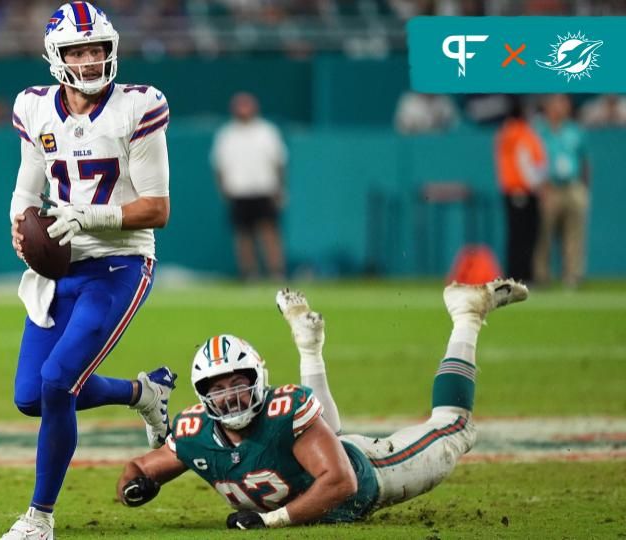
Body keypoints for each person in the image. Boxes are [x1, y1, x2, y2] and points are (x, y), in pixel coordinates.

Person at [117, 278, 529, 529]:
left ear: (258, 380)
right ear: (203, 395)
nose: (231, 398)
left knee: (455, 425)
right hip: (322, 458)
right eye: (218, 390)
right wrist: (135, 486)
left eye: (238, 385)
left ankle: (467, 316)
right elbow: (138, 468)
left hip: (375, 471)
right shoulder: (193, 434)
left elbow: (341, 482)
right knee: (324, 432)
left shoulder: (284, 411)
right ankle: (310, 350)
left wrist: (271, 520)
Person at [4, 3, 175, 538]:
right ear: (57, 56)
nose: (90, 59)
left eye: (96, 48)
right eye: (78, 50)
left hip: (120, 263)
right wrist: (19, 223)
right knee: (31, 397)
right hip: (63, 263)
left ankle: (40, 518)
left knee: (58, 383)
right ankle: (142, 394)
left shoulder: (138, 107)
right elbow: (28, 184)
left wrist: (89, 215)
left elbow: (158, 208)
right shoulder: (35, 108)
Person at [211, 92, 288, 282]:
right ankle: (249, 273)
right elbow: (219, 165)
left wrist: (280, 188)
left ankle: (276, 272)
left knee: (269, 232)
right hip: (239, 191)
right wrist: (223, 189)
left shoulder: (267, 132)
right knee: (243, 235)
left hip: (264, 189)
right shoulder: (226, 134)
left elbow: (279, 163)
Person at [534, 94, 590, 288]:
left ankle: (572, 276)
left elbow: (585, 161)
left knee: (574, 235)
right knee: (543, 235)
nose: (561, 107)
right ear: (547, 106)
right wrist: (539, 187)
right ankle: (542, 276)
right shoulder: (538, 131)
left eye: (564, 103)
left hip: (572, 186)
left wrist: (583, 187)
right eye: (557, 103)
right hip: (549, 188)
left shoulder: (575, 131)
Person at [494, 97, 546, 283]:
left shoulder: (505, 132)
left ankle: (515, 275)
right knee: (526, 237)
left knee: (515, 237)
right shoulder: (521, 133)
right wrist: (538, 187)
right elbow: (526, 165)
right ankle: (524, 276)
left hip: (510, 190)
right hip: (523, 191)